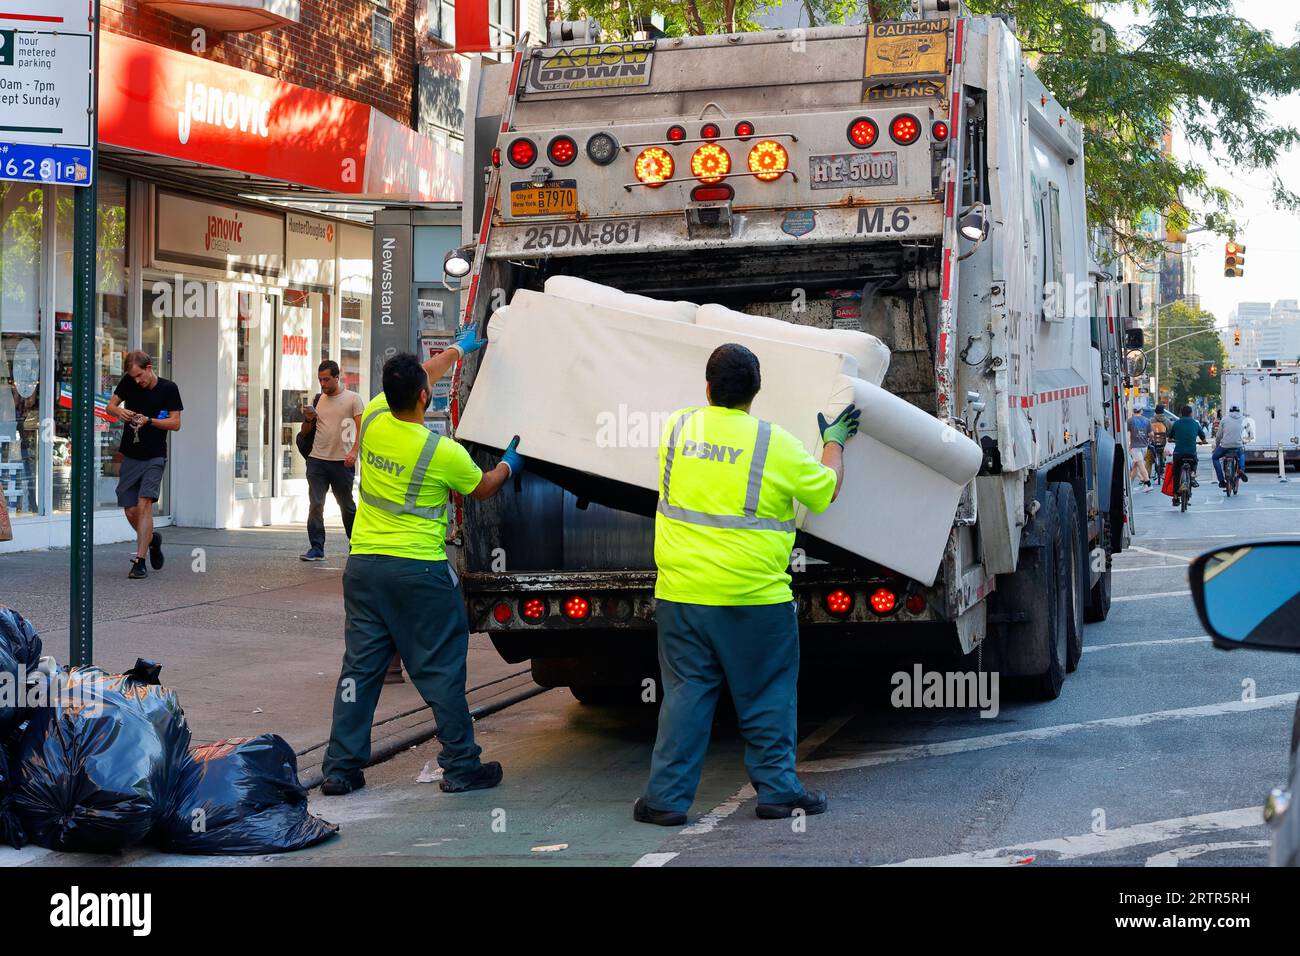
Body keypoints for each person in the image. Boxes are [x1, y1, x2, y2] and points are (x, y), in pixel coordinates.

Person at [634, 343, 858, 827]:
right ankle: (778, 792)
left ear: (708, 388)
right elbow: (826, 490)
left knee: (687, 696)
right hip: (754, 600)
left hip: (682, 597)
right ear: (758, 391)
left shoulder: (676, 429)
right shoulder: (773, 443)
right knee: (767, 695)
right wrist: (834, 442)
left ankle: (665, 801)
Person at [320, 327, 520, 796]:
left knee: (360, 671)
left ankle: (340, 770)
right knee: (441, 670)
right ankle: (460, 766)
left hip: (365, 568)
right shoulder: (442, 452)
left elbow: (418, 375)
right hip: (419, 573)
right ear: (425, 398)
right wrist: (511, 464)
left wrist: (456, 350)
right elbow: (484, 486)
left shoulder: (370, 415)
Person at [106, 351, 183, 579]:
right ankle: (152, 539)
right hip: (131, 454)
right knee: (130, 509)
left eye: (140, 375)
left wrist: (150, 420)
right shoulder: (129, 382)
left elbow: (176, 423)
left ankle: (139, 562)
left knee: (143, 504)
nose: (137, 380)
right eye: (134, 377)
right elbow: (110, 406)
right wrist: (118, 410)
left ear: (149, 367)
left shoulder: (169, 388)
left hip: (155, 456)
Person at [300, 360, 364, 562]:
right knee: (316, 504)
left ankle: (357, 545)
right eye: (320, 380)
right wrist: (309, 418)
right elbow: (305, 433)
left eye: (326, 379)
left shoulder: (353, 399)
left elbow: (362, 429)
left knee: (346, 505)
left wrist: (354, 452)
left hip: (341, 462)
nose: (323, 384)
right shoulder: (319, 399)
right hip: (317, 460)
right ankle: (316, 548)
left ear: (338, 376)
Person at [1169, 403, 1207, 506]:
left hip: (1178, 453)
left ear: (1181, 413)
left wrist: (1172, 439)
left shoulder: (1177, 423)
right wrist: (1203, 441)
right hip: (1191, 453)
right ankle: (1193, 474)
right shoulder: (1195, 423)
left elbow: (1170, 436)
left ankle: (1176, 496)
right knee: (1195, 461)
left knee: (1176, 472)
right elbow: (1202, 436)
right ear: (1191, 413)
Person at [1213, 405, 1252, 487]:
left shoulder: (1224, 419)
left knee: (1215, 458)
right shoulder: (1243, 419)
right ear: (1238, 411)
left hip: (1224, 447)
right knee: (1241, 454)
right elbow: (1250, 433)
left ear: (1230, 411)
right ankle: (1241, 470)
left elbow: (1219, 436)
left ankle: (1221, 480)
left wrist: (1217, 446)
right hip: (1237, 446)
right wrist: (1246, 440)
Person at [1146, 403, 1174, 486]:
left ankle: (1146, 476)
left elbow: (1148, 431)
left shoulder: (1151, 420)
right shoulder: (1167, 421)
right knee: (1163, 451)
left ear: (1155, 411)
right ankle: (1162, 466)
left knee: (1149, 459)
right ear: (1163, 412)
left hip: (1153, 443)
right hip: (1163, 443)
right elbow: (1170, 432)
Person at [1127, 410, 1151, 491]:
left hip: (1135, 446)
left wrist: (1128, 444)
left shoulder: (1130, 420)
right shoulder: (1147, 420)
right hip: (1144, 446)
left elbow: (1126, 433)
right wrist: (1149, 441)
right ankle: (1129, 485)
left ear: (1133, 411)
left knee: (1140, 464)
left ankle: (1148, 483)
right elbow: (1151, 434)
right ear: (1141, 411)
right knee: (1135, 466)